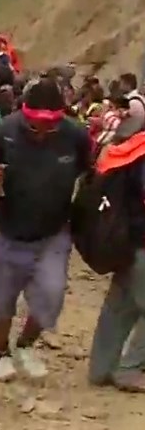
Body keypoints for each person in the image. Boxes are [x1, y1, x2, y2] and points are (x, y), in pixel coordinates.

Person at [0, 78, 91, 381]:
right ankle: (1, 352)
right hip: (6, 232)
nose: (41, 132)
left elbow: (85, 172)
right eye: (34, 124)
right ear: (23, 114)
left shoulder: (76, 136)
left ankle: (26, 345)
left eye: (49, 124)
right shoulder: (0, 134)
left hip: (53, 233)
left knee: (51, 295)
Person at [87, 130, 145, 392]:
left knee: (120, 305)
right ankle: (130, 369)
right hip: (142, 241)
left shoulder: (136, 144)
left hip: (123, 239)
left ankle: (101, 368)